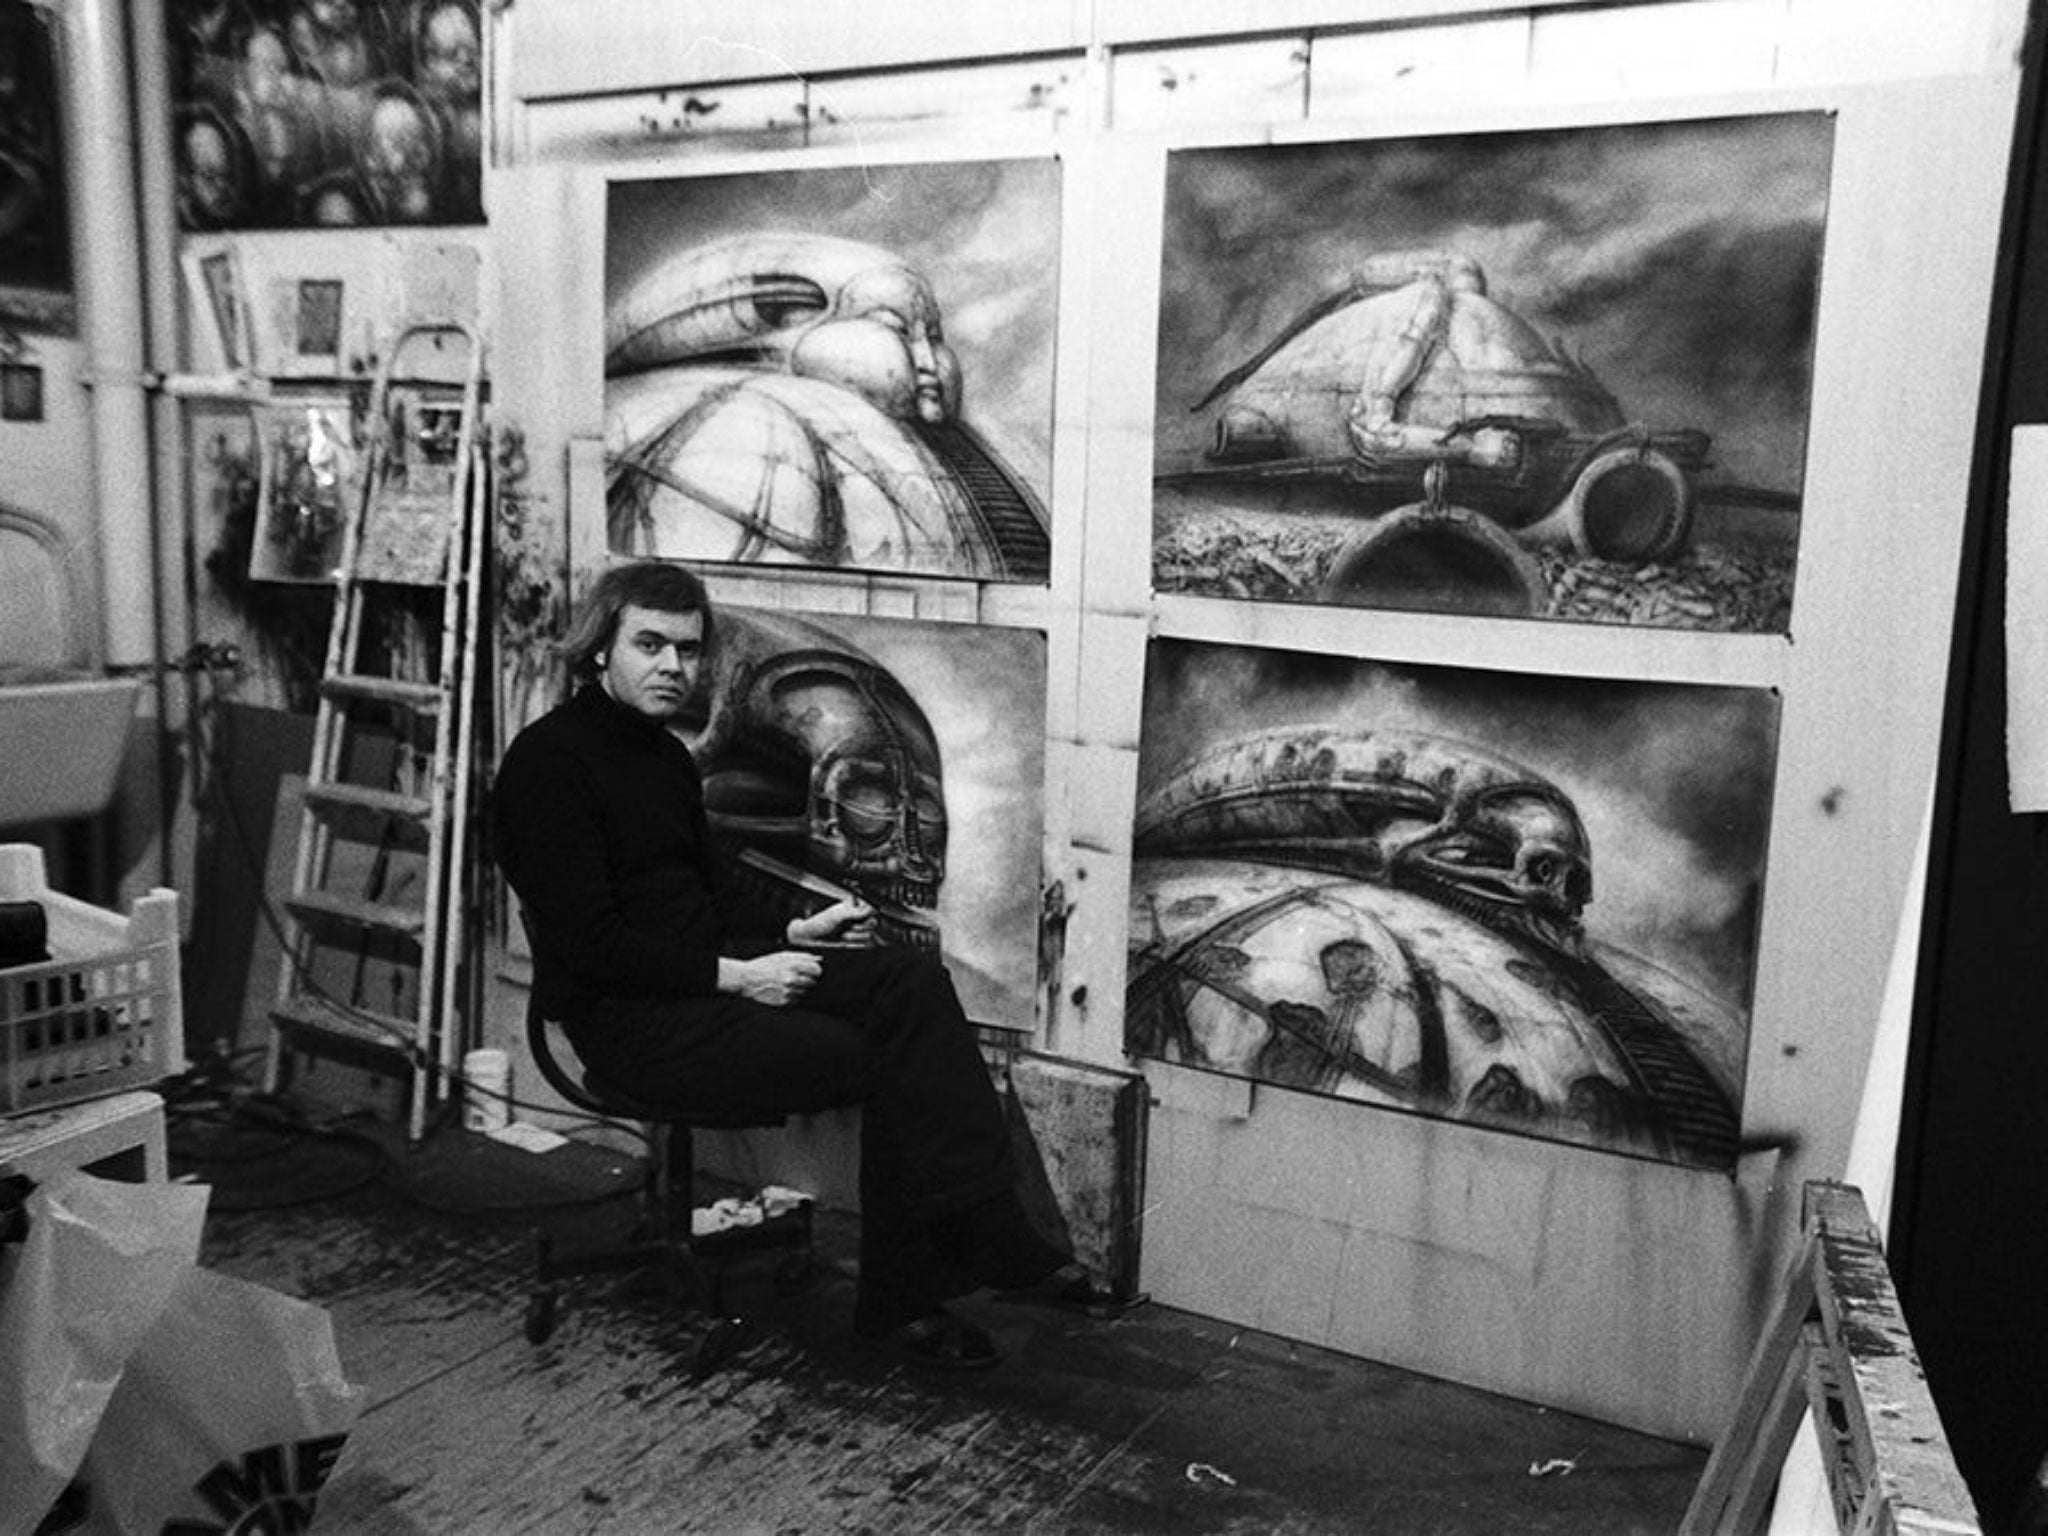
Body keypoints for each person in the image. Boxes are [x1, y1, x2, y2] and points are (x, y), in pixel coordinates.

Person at [492, 560, 1114, 1368]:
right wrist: (741, 976)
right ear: (599, 649)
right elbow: (590, 946)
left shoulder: (661, 757)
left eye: (688, 649)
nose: (673, 666)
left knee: (912, 983)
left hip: (710, 981)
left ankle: (987, 1229)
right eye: (650, 645)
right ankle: (909, 1296)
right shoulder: (548, 765)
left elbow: (714, 886)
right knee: (882, 1056)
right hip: (633, 1022)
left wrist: (800, 925)